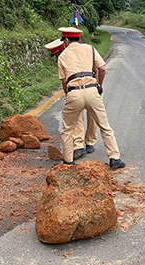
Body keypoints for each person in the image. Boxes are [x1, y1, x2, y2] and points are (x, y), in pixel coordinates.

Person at [56, 27, 125, 169]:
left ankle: (68, 161)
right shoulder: (90, 49)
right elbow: (102, 68)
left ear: (66, 40)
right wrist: (99, 85)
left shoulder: (62, 56)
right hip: (92, 90)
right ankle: (114, 158)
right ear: (79, 39)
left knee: (68, 129)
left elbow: (64, 81)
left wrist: (69, 95)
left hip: (74, 92)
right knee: (105, 126)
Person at [44, 39, 97, 159]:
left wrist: (98, 85)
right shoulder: (63, 58)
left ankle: (90, 141)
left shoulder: (83, 51)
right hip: (76, 90)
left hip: (91, 86)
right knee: (77, 116)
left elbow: (97, 68)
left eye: (58, 54)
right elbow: (65, 81)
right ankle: (78, 145)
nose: (57, 58)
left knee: (92, 116)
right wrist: (68, 94)